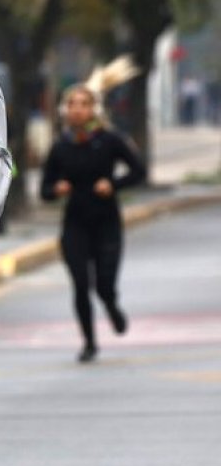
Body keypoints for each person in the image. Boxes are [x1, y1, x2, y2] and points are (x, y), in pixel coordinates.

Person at [40, 83, 146, 363]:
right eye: (72, 104)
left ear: (94, 109)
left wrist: (113, 184)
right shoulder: (61, 146)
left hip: (106, 223)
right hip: (75, 224)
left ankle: (111, 305)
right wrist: (56, 189)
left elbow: (139, 171)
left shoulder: (109, 140)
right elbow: (44, 190)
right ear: (65, 110)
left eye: (84, 104)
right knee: (80, 284)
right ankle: (89, 342)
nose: (77, 110)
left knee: (104, 286)